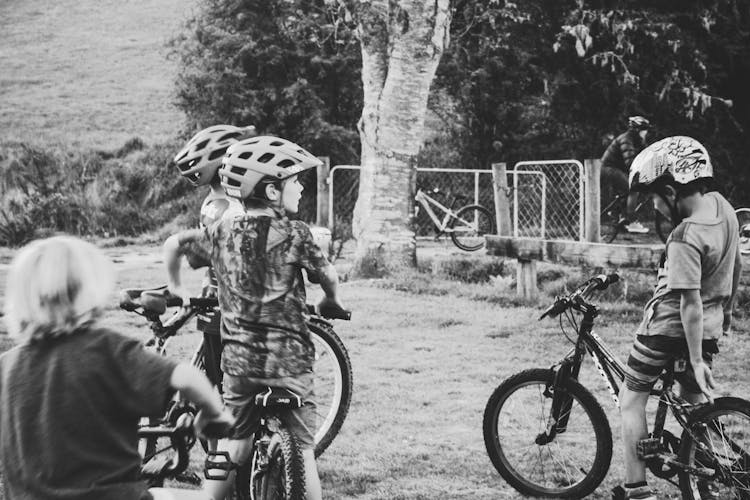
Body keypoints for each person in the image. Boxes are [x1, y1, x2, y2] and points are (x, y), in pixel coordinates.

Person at [0, 235, 233, 500]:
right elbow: (185, 376)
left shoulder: (7, 366)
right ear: (88, 292)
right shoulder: (107, 351)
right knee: (201, 498)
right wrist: (214, 414)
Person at [194, 136, 344, 500]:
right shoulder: (296, 234)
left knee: (235, 445)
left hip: (240, 365)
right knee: (304, 452)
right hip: (289, 363)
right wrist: (331, 301)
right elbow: (329, 276)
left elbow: (196, 257)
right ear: (274, 192)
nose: (302, 186)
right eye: (296, 181)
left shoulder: (222, 230)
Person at [617, 136, 741, 500]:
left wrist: (698, 360)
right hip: (709, 326)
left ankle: (637, 489)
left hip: (667, 329)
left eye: (654, 197)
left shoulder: (685, 236)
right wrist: (727, 315)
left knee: (631, 399)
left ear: (671, 191)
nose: (653, 206)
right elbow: (734, 267)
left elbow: (688, 304)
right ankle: (707, 470)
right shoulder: (724, 208)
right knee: (692, 398)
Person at [165, 124, 256, 391]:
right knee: (232, 390)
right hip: (231, 311)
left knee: (214, 382)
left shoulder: (211, 201)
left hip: (211, 302)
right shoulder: (234, 208)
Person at [601, 115, 652, 233]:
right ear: (637, 130)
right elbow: (630, 161)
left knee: (630, 189)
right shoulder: (626, 139)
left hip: (617, 169)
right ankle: (632, 222)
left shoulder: (638, 140)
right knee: (633, 189)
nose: (646, 132)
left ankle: (617, 215)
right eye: (644, 130)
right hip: (609, 169)